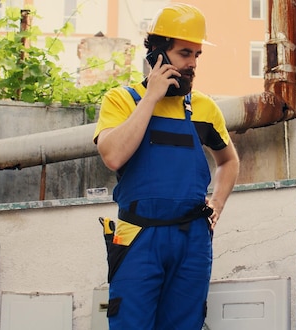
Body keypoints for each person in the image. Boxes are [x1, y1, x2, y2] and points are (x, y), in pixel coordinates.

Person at [93, 3, 240, 329]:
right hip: (138, 237)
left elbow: (229, 161)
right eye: (185, 53)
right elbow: (113, 156)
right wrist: (151, 98)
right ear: (158, 53)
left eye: (197, 55)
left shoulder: (205, 107)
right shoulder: (122, 101)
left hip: (192, 241)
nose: (192, 64)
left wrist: (217, 203)